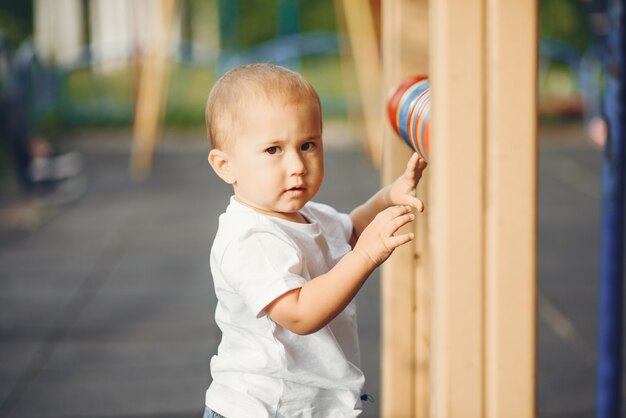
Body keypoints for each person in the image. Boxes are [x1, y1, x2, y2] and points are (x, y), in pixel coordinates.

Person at [203, 63, 427, 418]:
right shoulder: (248, 237)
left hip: (310, 404)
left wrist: (387, 197)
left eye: (307, 144)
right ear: (225, 165)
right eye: (273, 150)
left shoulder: (311, 213)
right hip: (264, 408)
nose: (297, 165)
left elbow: (349, 231)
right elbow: (300, 313)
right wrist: (367, 255)